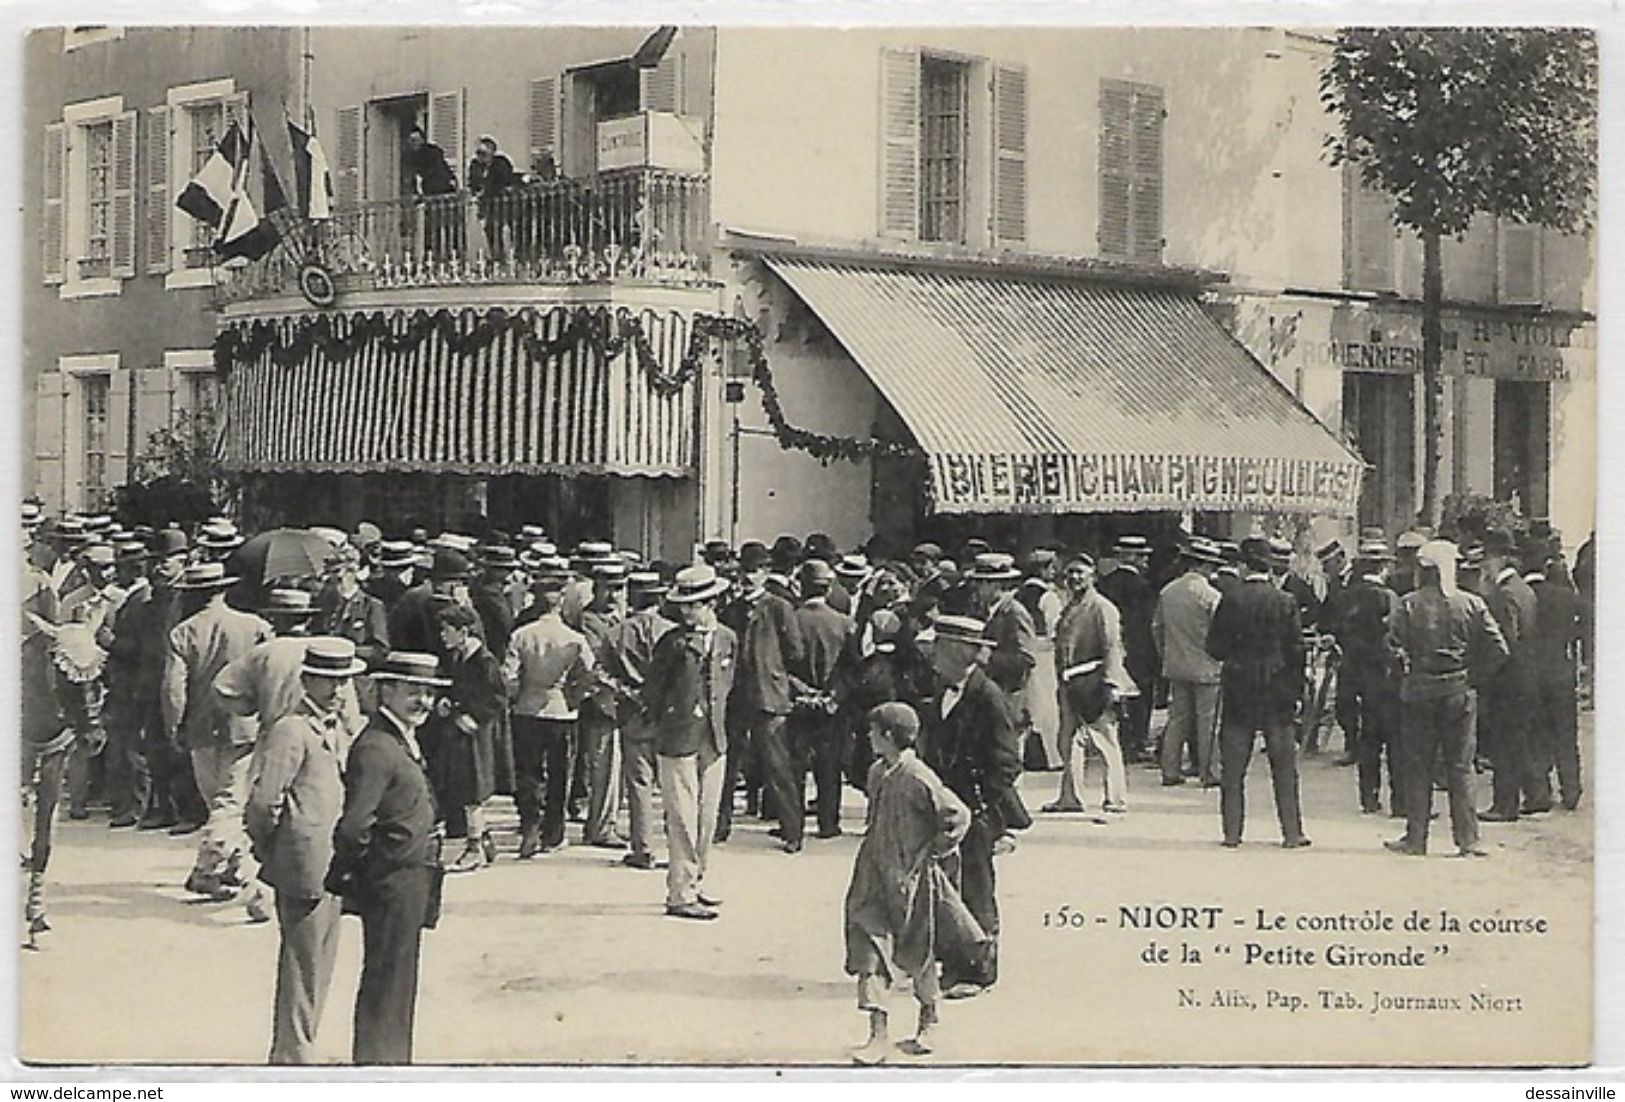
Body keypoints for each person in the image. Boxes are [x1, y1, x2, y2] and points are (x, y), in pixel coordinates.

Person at [246, 638, 366, 1064]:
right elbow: (263, 802)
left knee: (322, 959)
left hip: (335, 860)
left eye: (343, 682)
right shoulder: (291, 729)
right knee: (302, 962)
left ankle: (303, 1043)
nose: (336, 691)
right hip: (302, 859)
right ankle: (292, 1055)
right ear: (306, 681)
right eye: (327, 682)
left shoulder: (344, 728)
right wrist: (275, 849)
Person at [326, 652, 447, 1066]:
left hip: (410, 878)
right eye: (414, 691)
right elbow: (354, 825)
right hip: (392, 878)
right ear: (386, 691)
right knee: (386, 982)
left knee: (398, 982)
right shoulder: (377, 746)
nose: (424, 701)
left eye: (429, 692)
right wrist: (366, 873)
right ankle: (378, 1070)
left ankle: (393, 1065)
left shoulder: (401, 738)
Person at [844, 702, 977, 1066]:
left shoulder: (919, 777)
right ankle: (877, 1036)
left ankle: (929, 1019)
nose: (868, 737)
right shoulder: (876, 772)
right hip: (873, 878)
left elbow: (957, 816)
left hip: (913, 883)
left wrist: (934, 851)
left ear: (889, 736)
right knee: (870, 953)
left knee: (919, 954)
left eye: (874, 732)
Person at [918, 615, 1026, 998]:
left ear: (958, 652)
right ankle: (952, 962)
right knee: (946, 885)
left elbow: (1008, 761)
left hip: (975, 811)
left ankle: (980, 970)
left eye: (939, 646)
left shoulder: (987, 695)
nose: (931, 653)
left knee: (977, 887)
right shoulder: (940, 688)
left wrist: (979, 805)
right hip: (945, 808)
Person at [1384, 542, 1508, 858]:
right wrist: (1473, 676)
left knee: (1418, 766)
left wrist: (1405, 674)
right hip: (1458, 692)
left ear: (1424, 570)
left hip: (1419, 693)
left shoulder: (1408, 604)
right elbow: (1499, 649)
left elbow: (1392, 648)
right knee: (1461, 767)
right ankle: (1468, 840)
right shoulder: (1472, 603)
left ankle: (1416, 838)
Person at [162, 562, 274, 901]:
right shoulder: (254, 626)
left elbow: (173, 689)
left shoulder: (183, 632)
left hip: (201, 727)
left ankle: (209, 868)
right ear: (222, 590)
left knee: (221, 802)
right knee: (228, 804)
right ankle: (230, 867)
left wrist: (174, 725)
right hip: (244, 724)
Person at [644, 564, 737, 920]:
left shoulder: (728, 638)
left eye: (694, 604)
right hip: (678, 736)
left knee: (707, 816)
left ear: (712, 602)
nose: (687, 611)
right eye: (683, 605)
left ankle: (696, 879)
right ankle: (680, 892)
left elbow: (729, 685)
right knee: (682, 816)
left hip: (713, 739)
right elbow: (653, 689)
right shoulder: (672, 643)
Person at [1205, 537, 1311, 850]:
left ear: (1243, 564)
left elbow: (1215, 648)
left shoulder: (1231, 599)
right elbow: (1297, 651)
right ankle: (1292, 832)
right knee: (1283, 765)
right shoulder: (1285, 601)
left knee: (1234, 765)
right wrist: (1296, 690)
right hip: (1277, 691)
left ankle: (1232, 833)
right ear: (1270, 565)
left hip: (1239, 688)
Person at [503, 557, 593, 857]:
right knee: (560, 773)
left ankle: (529, 825)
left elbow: (509, 677)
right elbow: (589, 675)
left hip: (527, 710)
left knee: (528, 772)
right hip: (562, 711)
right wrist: (575, 696)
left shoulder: (521, 635)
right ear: (560, 604)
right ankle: (553, 832)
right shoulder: (575, 639)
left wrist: (517, 697)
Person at [719, 540, 804, 848]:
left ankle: (792, 831)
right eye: (743, 570)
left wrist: (774, 671)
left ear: (766, 572)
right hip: (737, 697)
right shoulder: (731, 609)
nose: (747, 577)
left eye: (753, 571)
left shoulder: (779, 607)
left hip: (770, 696)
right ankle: (720, 825)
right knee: (728, 764)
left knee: (778, 766)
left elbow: (795, 651)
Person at [597, 571, 676, 869]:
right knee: (673, 783)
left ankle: (642, 848)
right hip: (668, 714)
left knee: (639, 783)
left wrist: (625, 692)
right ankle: (676, 847)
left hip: (632, 712)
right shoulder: (672, 630)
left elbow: (603, 674)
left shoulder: (616, 633)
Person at [1046, 554, 1136, 815]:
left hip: (1094, 682)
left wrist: (1111, 683)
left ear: (1093, 576)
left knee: (1106, 741)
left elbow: (1112, 647)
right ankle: (1070, 797)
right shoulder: (1070, 606)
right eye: (1070, 573)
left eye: (1080, 573)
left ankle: (1116, 798)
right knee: (1069, 742)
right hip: (1069, 684)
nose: (1074, 578)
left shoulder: (1102, 608)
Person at [426, 603, 505, 872]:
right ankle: (483, 840)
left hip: (475, 736)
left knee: (473, 791)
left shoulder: (484, 661)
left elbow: (496, 699)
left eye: (447, 631)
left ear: (463, 632)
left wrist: (474, 717)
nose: (442, 636)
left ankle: (474, 848)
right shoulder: (456, 657)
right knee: (463, 788)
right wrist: (448, 703)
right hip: (458, 734)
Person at [1477, 529, 1546, 820]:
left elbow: (1503, 643)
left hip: (1507, 679)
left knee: (1504, 742)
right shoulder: (1524, 589)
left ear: (1500, 560)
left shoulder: (1503, 595)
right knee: (1520, 739)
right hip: (1526, 674)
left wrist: (1483, 676)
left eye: (1487, 561)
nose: (1483, 567)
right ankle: (1535, 795)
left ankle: (1505, 805)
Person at [1335, 540, 1404, 815]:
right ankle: (1400, 801)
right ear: (1383, 566)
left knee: (1368, 738)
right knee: (1396, 740)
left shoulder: (1347, 596)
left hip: (1355, 673)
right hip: (1385, 676)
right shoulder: (1388, 598)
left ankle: (1369, 797)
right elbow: (1396, 636)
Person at [788, 559, 854, 843]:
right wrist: (833, 697)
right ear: (828, 589)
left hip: (798, 704)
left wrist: (803, 692)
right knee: (830, 764)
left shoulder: (790, 620)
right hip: (832, 707)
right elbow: (852, 669)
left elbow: (781, 665)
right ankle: (829, 822)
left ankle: (793, 824)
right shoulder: (845, 623)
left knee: (796, 765)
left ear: (801, 587)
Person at [1151, 539, 1224, 788]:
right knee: (1208, 721)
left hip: (1176, 664)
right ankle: (1210, 771)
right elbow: (1219, 631)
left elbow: (1157, 628)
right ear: (1203, 565)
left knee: (1177, 718)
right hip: (1207, 666)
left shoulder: (1167, 592)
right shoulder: (1211, 595)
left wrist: (1166, 654)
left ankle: (1169, 770)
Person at [577, 559, 630, 849]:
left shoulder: (619, 618)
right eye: (607, 589)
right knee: (604, 765)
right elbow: (597, 664)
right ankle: (599, 827)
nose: (612, 596)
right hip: (602, 701)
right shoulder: (590, 621)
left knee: (615, 766)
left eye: (618, 589)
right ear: (595, 589)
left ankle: (606, 822)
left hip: (618, 701)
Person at [1528, 549, 1583, 810]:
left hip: (1535, 672)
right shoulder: (1566, 597)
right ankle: (1571, 789)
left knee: (1538, 733)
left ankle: (1540, 792)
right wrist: (1573, 635)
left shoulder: (1529, 597)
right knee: (1565, 733)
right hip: (1562, 669)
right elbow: (1590, 618)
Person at [1095, 535, 1157, 763]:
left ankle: (1116, 740)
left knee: (1113, 693)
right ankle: (1136, 742)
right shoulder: (1142, 586)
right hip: (1137, 649)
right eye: (1142, 557)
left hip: (1108, 646)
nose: (1145, 562)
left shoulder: (1104, 583)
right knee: (1139, 696)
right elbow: (1146, 623)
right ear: (1131, 557)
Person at [404, 124, 460, 259]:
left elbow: (438, 173)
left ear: (423, 140)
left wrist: (425, 193)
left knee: (449, 228)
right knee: (431, 229)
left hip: (443, 193)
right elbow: (410, 177)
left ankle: (453, 256)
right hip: (431, 196)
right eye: (411, 141)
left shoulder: (432, 153)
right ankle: (432, 257)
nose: (414, 144)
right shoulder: (411, 156)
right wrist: (415, 193)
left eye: (416, 140)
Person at [467, 134, 519, 261]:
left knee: (505, 229)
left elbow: (502, 180)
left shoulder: (500, 163)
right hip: (486, 205)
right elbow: (473, 182)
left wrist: (485, 189)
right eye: (478, 153)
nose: (480, 156)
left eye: (483, 153)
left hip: (502, 203)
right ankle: (496, 256)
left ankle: (510, 256)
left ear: (492, 152)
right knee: (489, 229)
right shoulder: (475, 166)